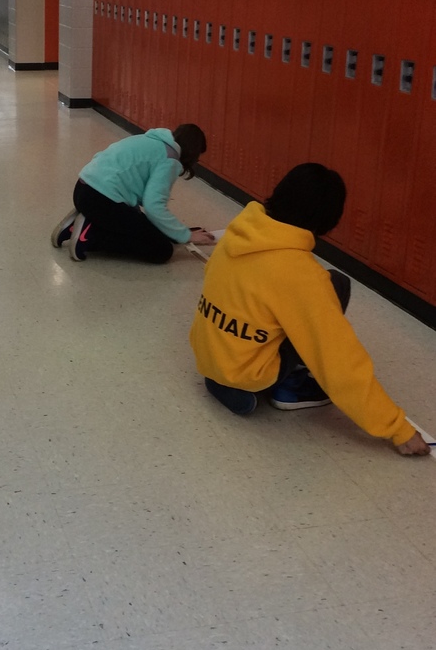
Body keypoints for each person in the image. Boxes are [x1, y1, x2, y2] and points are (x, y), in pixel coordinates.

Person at [189, 163, 430, 456]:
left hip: (209, 355)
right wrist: (397, 428)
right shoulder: (301, 276)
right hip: (248, 372)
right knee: (336, 284)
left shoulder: (239, 233)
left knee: (289, 298)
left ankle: (224, 378)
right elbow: (338, 360)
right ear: (327, 219)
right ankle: (286, 388)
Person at [51, 124, 214, 263]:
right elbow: (153, 206)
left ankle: (81, 223)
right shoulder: (169, 160)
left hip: (82, 190)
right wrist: (186, 236)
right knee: (161, 250)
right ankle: (90, 234)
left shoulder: (151, 140)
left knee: (147, 230)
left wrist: (179, 231)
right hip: (101, 201)